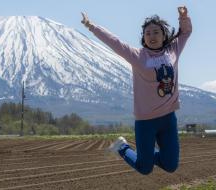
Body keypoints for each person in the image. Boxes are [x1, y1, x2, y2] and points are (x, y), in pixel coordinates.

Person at [81, 6, 192, 175]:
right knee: (144, 168)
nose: (151, 36)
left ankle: (146, 154)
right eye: (147, 33)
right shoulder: (137, 55)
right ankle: (122, 147)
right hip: (146, 121)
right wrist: (91, 26)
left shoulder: (173, 50)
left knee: (170, 165)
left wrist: (183, 18)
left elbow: (185, 33)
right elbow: (114, 41)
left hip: (168, 119)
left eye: (156, 32)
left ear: (164, 35)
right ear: (143, 37)